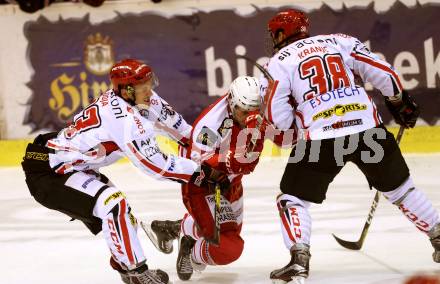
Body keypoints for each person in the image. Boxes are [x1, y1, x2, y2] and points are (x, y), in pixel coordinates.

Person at [262, 9, 440, 284]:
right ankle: (438, 235)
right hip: (367, 128)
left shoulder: (278, 62)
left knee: (292, 199)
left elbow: (276, 116)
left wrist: (297, 128)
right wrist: (398, 101)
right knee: (401, 189)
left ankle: (298, 261)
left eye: (275, 33)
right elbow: (384, 72)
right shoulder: (338, 41)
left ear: (282, 34)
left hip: (322, 137)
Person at [21, 58, 228, 284]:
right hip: (51, 173)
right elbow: (155, 165)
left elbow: (183, 131)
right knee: (113, 203)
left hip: (76, 166)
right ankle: (136, 272)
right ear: (127, 90)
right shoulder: (123, 120)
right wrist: (202, 172)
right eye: (143, 88)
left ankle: (127, 267)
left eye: (150, 85)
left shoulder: (144, 98)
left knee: (123, 216)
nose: (150, 92)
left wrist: (214, 148)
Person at [143, 76, 267, 281]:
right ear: (232, 104)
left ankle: (176, 229)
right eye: (245, 113)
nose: (249, 119)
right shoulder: (210, 124)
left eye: (255, 112)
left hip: (231, 179)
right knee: (228, 248)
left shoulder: (256, 108)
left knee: (231, 236)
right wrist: (230, 162)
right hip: (201, 182)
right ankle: (190, 249)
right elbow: (198, 162)